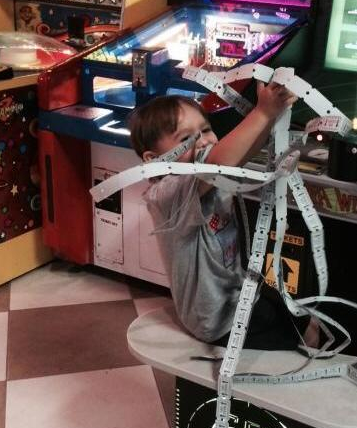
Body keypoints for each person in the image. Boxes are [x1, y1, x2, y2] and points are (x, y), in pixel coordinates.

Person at [129, 86, 318, 350]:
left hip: (239, 296)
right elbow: (218, 161)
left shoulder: (209, 174)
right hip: (217, 321)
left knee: (308, 319)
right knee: (308, 334)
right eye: (186, 138)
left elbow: (239, 155)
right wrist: (261, 112)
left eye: (205, 130)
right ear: (153, 159)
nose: (204, 141)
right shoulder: (166, 195)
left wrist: (271, 115)